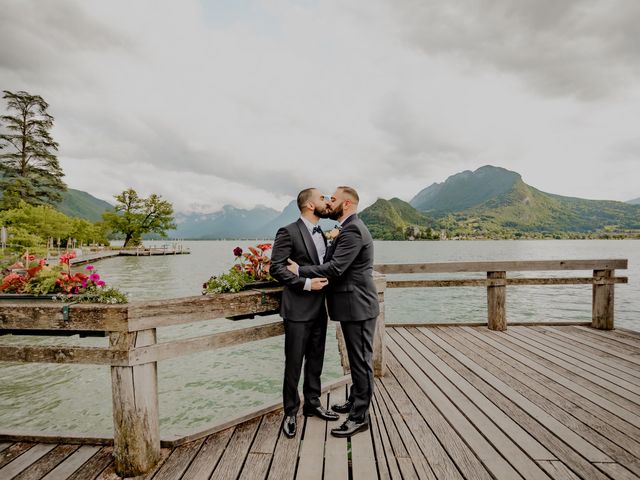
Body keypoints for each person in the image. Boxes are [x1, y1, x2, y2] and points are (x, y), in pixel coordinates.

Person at [287, 186, 379, 438]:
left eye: (334, 199)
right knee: (356, 359)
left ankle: (360, 417)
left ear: (347, 204)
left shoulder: (353, 230)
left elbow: (336, 268)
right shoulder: (347, 229)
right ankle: (356, 400)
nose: (330, 202)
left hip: (358, 306)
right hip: (352, 306)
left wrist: (299, 271)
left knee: (361, 362)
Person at [269, 188, 339, 438]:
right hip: (298, 308)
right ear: (309, 205)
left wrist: (304, 271)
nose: (326, 201)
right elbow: (275, 268)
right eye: (322, 198)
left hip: (321, 308)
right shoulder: (288, 231)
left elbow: (325, 267)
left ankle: (313, 403)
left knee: (316, 360)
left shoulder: (323, 233)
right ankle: (290, 411)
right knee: (294, 363)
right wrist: (306, 283)